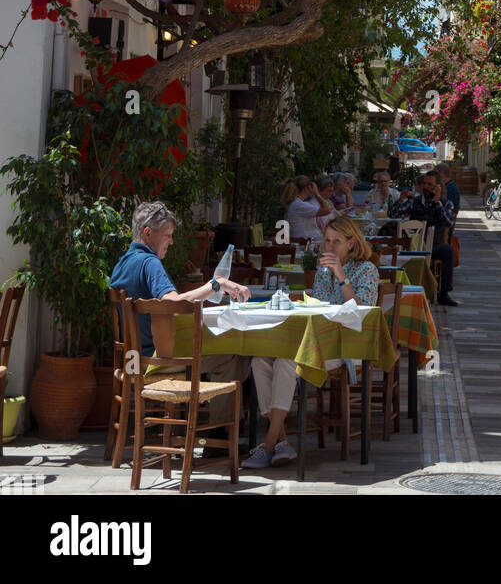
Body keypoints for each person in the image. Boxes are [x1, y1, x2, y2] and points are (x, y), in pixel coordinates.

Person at [243, 215, 379, 470]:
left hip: (347, 345)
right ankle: (282, 443)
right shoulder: (321, 271)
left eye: (336, 241)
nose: (329, 247)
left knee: (286, 361)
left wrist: (340, 273)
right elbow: (317, 305)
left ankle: (269, 444)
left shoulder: (367, 270)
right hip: (315, 341)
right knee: (259, 360)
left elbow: (360, 311)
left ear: (351, 243)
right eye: (326, 240)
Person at [109, 201, 250, 431]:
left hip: (133, 361)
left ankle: (221, 428)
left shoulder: (122, 263)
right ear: (147, 233)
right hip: (155, 362)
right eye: (167, 235)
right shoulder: (149, 263)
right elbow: (172, 304)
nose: (171, 241)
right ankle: (219, 435)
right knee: (234, 356)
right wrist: (216, 284)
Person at [392, 170, 458, 306]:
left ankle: (444, 293)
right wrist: (400, 200)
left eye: (430, 184)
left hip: (434, 246)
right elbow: (393, 214)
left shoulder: (446, 203)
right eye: (424, 184)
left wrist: (437, 202)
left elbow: (448, 222)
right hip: (413, 245)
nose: (426, 187)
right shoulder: (414, 202)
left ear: (438, 186)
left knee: (448, 251)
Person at [282, 175, 332, 242]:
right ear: (308, 188)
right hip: (304, 241)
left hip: (307, 239)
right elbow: (327, 210)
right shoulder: (299, 205)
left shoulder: (296, 203)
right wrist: (317, 194)